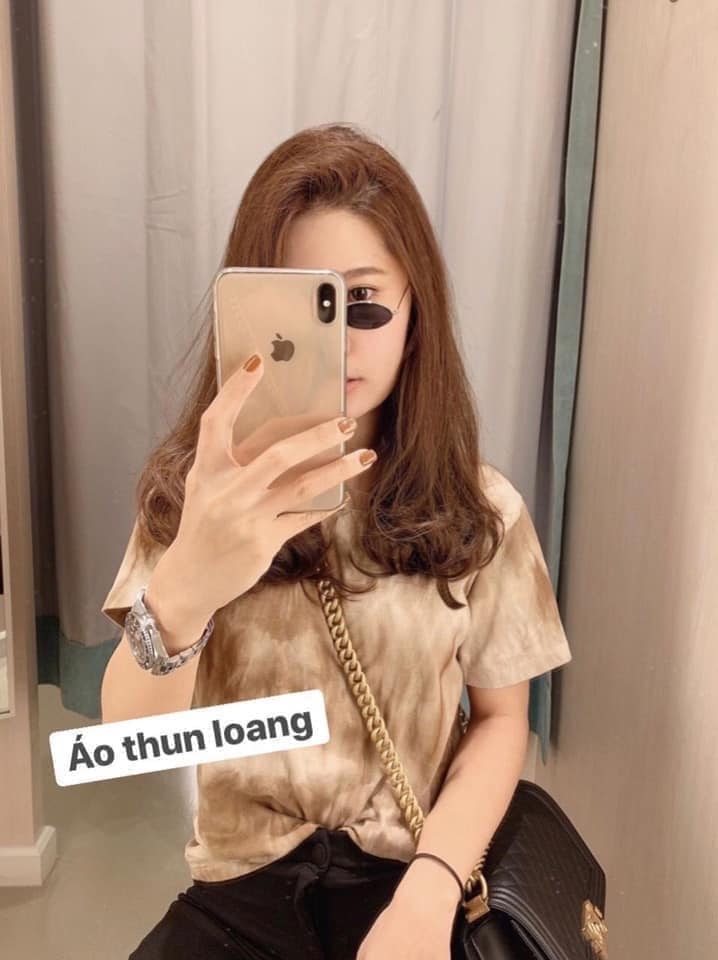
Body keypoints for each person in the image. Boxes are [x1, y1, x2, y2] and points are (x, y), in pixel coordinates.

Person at [100, 123, 572, 960]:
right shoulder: (195, 495)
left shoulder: (480, 508)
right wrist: (190, 580)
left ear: (414, 313)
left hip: (413, 880)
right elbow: (129, 745)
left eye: (364, 303)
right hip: (239, 896)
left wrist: (430, 893)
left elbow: (503, 721)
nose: (341, 342)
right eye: (304, 310)